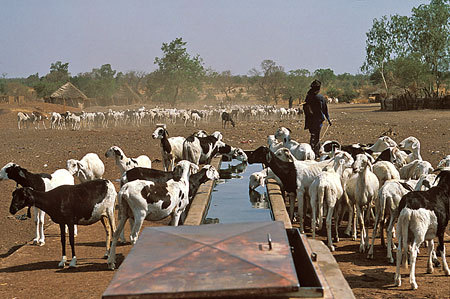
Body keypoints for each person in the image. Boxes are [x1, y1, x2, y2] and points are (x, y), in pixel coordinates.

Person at [303, 79, 331, 157]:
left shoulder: (308, 97)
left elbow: (305, 107)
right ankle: (315, 152)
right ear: (318, 88)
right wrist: (328, 119)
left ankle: (314, 150)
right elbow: (325, 109)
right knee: (316, 136)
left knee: (313, 135)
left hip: (309, 120)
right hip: (318, 120)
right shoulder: (320, 97)